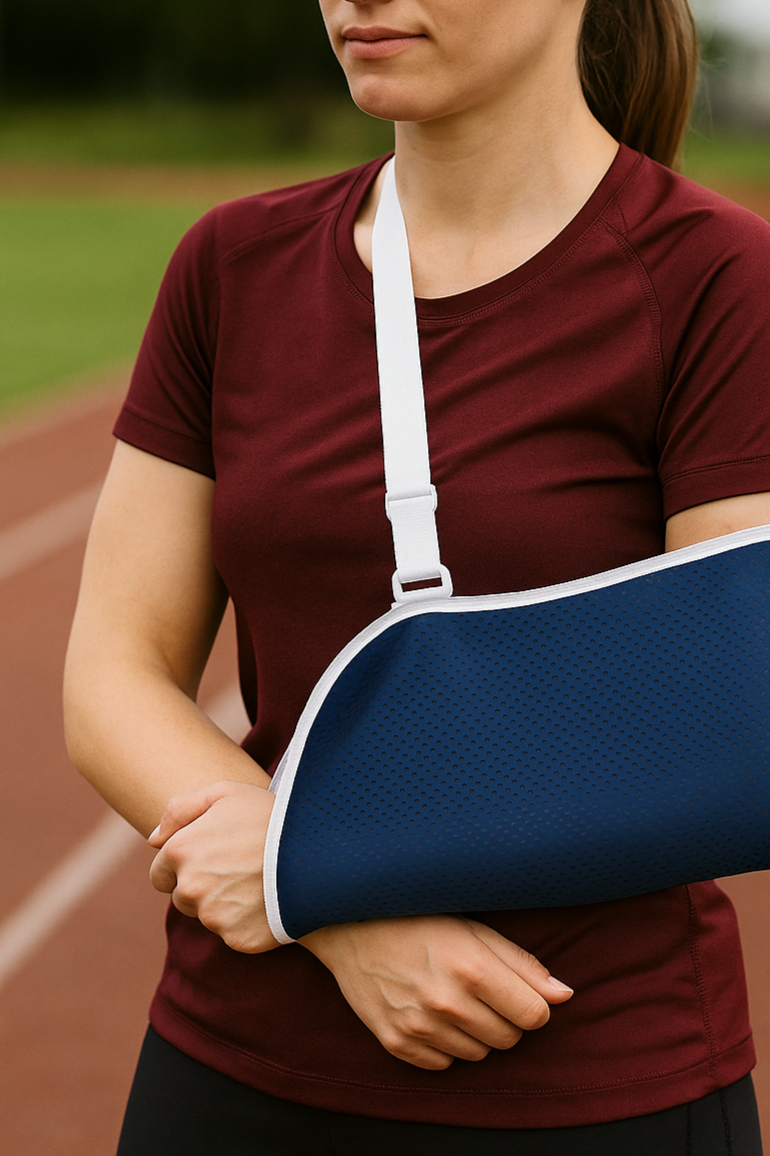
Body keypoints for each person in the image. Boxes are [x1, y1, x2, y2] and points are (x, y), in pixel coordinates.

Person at [64, 0, 770, 1153]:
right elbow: (113, 672)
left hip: (593, 1081)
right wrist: (329, 905)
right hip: (235, 1066)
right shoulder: (230, 266)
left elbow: (720, 736)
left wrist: (307, 862)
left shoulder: (713, 279)